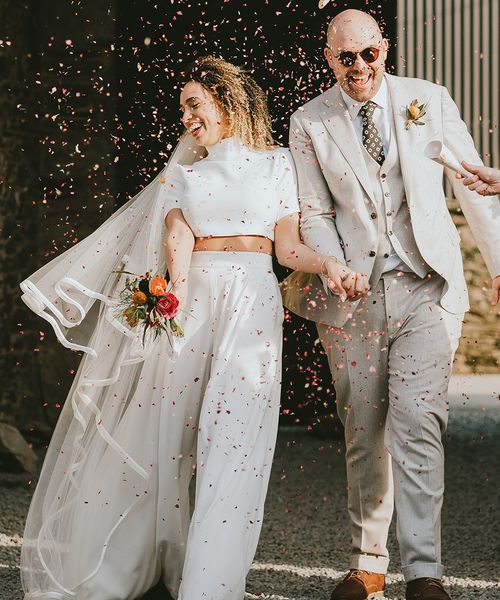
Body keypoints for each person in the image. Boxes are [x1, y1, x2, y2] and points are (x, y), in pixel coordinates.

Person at [19, 55, 368, 600]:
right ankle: (150, 561)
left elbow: (288, 247)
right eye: (183, 109)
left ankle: (210, 586)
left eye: (194, 105)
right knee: (171, 438)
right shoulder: (184, 175)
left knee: (236, 440)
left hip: (251, 303)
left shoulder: (278, 164)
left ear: (227, 105)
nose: (186, 118)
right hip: (193, 308)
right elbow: (176, 244)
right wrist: (170, 299)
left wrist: (329, 265)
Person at [282, 9, 500, 600]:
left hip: (427, 285)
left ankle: (424, 571)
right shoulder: (310, 121)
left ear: (385, 49)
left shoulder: (429, 98)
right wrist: (337, 267)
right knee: (364, 427)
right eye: (345, 58)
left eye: (368, 54)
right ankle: (368, 564)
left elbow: (473, 182)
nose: (359, 67)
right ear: (329, 59)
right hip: (353, 297)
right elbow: (315, 210)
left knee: (418, 422)